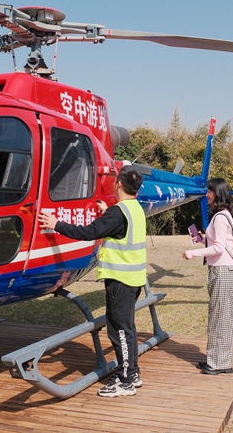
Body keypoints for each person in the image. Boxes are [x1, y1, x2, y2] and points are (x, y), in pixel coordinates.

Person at [37, 165, 147, 398]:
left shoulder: (118, 214)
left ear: (118, 184)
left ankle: (126, 381)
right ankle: (132, 373)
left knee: (119, 331)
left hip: (120, 280)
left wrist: (56, 224)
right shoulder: (134, 209)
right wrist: (108, 210)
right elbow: (119, 226)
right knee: (127, 329)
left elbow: (89, 232)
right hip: (134, 279)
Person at [182, 178, 233, 375]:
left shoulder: (221, 217)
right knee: (222, 315)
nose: (206, 194)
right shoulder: (224, 215)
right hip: (225, 271)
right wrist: (202, 239)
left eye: (210, 191)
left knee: (220, 316)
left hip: (223, 271)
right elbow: (217, 242)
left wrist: (193, 253)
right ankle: (216, 358)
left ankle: (218, 363)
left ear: (218, 193)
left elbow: (218, 248)